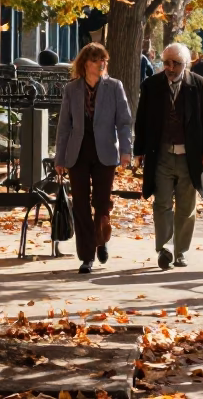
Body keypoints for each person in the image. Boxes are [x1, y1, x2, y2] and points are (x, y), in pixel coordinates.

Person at [133, 42, 203, 270]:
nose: (169, 67)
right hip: (160, 155)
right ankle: (165, 248)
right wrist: (139, 151)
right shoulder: (151, 85)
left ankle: (181, 252)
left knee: (186, 206)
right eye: (166, 62)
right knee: (161, 203)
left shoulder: (199, 85)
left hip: (190, 156)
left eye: (175, 63)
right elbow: (141, 121)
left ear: (186, 64)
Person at [53, 43, 132, 274]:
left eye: (104, 60)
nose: (102, 64)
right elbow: (64, 126)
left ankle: (101, 239)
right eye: (97, 59)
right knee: (80, 204)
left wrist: (126, 150)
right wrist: (60, 158)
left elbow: (124, 121)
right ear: (86, 63)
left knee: (101, 202)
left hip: (105, 151)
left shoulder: (115, 87)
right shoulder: (72, 89)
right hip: (78, 153)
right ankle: (86, 256)